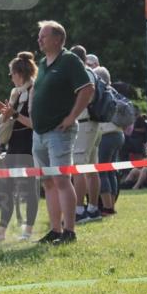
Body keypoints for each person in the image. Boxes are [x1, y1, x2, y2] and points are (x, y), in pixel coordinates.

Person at [31, 20, 94, 244]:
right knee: (48, 182)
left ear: (58, 39)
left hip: (59, 132)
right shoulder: (42, 62)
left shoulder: (69, 60)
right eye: (39, 36)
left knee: (61, 180)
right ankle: (55, 230)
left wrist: (71, 117)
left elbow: (87, 89)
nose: (39, 39)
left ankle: (70, 231)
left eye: (43, 36)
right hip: (39, 133)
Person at [0, 52, 39, 241]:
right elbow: (6, 118)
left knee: (29, 189)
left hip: (29, 144)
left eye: (11, 74)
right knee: (6, 188)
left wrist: (15, 115)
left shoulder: (35, 89)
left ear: (20, 73)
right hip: (13, 144)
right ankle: (1, 230)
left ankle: (28, 230)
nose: (10, 78)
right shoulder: (15, 92)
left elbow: (35, 123)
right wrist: (4, 113)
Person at [69, 45, 103, 225]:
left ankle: (80, 209)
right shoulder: (92, 72)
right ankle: (93, 207)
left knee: (79, 168)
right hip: (93, 124)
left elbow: (85, 97)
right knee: (91, 168)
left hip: (84, 123)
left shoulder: (83, 74)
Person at [94, 67, 125, 216]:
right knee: (111, 171)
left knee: (102, 172)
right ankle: (111, 205)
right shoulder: (114, 91)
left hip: (106, 134)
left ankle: (106, 208)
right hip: (118, 134)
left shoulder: (100, 91)